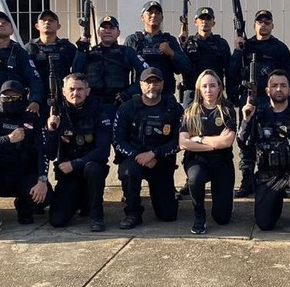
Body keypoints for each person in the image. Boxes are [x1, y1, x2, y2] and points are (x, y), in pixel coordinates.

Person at [237, 69, 290, 238]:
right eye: (274, 85)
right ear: (267, 90)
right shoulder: (257, 113)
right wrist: (246, 120)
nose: (278, 89)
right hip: (268, 174)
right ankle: (274, 203)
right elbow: (243, 144)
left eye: (283, 85)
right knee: (264, 224)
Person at [229, 9, 290, 198]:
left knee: (275, 140)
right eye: (260, 22)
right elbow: (232, 72)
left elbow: (288, 75)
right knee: (246, 141)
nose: (263, 25)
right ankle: (247, 181)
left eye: (267, 22)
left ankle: (278, 182)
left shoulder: (280, 48)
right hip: (249, 99)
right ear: (254, 25)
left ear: (272, 25)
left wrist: (289, 101)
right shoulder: (245, 46)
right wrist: (237, 50)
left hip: (272, 101)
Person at [0, 80, 49, 226]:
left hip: (23, 176)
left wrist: (42, 180)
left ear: (22, 98)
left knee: (47, 197)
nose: (10, 101)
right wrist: (7, 139)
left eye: (14, 98)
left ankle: (24, 207)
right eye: (6, 98)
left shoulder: (32, 118)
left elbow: (43, 151)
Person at [112, 66, 183, 229]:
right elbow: (117, 140)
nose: (152, 86)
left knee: (168, 215)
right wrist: (138, 155)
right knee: (129, 173)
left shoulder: (174, 109)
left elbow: (179, 141)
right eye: (148, 83)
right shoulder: (127, 108)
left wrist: (154, 154)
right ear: (141, 85)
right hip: (134, 159)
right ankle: (133, 212)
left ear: (163, 84)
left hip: (161, 161)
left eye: (156, 82)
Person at [44, 73, 112, 232]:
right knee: (57, 220)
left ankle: (97, 216)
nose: (76, 93)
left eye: (80, 89)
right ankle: (82, 201)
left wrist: (75, 164)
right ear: (63, 91)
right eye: (72, 89)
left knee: (93, 168)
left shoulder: (99, 111)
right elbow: (50, 154)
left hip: (89, 169)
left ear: (88, 91)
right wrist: (52, 130)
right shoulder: (56, 113)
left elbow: (103, 151)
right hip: (69, 175)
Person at [178, 69, 237, 234]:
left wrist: (199, 139)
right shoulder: (190, 111)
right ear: (199, 89)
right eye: (204, 86)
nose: (208, 90)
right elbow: (183, 143)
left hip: (222, 161)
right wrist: (214, 144)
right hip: (197, 160)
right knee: (195, 178)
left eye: (212, 85)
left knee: (222, 219)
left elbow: (227, 141)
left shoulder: (227, 110)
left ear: (219, 88)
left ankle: (226, 199)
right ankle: (199, 215)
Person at [72, 14, 146, 120]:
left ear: (118, 33)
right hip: (93, 105)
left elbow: (145, 73)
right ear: (98, 32)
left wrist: (128, 93)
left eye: (111, 28)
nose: (107, 31)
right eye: (104, 28)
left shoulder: (127, 52)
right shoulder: (89, 53)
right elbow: (76, 73)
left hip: (119, 104)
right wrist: (81, 49)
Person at [124, 1, 190, 101]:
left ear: (162, 17)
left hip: (165, 96)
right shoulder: (133, 40)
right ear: (142, 17)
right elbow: (123, 69)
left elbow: (185, 67)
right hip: (139, 96)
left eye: (157, 13)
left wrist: (171, 53)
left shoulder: (169, 40)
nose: (154, 15)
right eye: (150, 12)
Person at [179, 7, 231, 105]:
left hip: (214, 93)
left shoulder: (221, 43)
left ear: (213, 23)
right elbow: (179, 66)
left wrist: (231, 94)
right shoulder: (187, 42)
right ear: (195, 22)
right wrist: (182, 44)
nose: (205, 21)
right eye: (201, 19)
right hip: (192, 93)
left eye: (208, 19)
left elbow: (229, 71)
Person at [26, 10, 77, 105]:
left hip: (62, 97)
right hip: (35, 98)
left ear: (58, 26)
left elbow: (77, 71)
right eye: (43, 20)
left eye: (51, 20)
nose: (47, 22)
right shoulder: (29, 48)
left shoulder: (67, 47)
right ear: (37, 26)